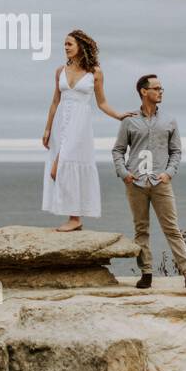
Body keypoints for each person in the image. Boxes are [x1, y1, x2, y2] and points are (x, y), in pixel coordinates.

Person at [111, 73, 186, 289]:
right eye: (156, 88)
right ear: (143, 91)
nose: (160, 91)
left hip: (161, 183)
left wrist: (169, 173)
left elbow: (176, 151)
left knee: (172, 228)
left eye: (161, 88)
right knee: (141, 229)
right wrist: (124, 173)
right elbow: (118, 150)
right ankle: (146, 273)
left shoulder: (169, 120)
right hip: (135, 183)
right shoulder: (129, 120)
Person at [42, 30, 134, 232]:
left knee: (62, 168)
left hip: (80, 125)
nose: (65, 47)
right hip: (61, 124)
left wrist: (119, 116)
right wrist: (48, 128)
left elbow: (102, 102)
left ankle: (75, 218)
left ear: (81, 47)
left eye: (69, 44)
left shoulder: (95, 72)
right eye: (64, 44)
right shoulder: (59, 71)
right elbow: (55, 101)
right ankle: (74, 216)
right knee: (57, 171)